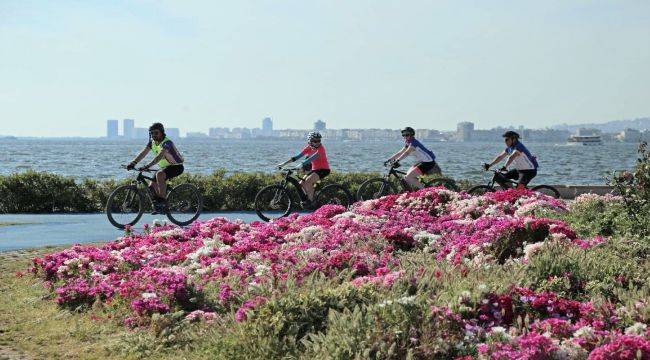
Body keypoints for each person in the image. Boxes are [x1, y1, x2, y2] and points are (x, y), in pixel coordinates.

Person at [126, 123, 185, 213]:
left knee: (159, 174)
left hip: (176, 167)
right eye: (152, 133)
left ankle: (162, 201)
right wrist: (133, 163)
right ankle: (158, 207)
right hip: (165, 167)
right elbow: (143, 153)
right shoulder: (152, 143)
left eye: (156, 133)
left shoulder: (167, 143)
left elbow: (159, 157)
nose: (154, 135)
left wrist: (147, 166)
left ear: (161, 133)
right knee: (151, 186)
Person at [277, 131, 330, 207]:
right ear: (310, 141)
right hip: (315, 170)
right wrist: (284, 164)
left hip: (323, 170)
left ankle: (311, 202)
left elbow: (311, 158)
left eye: (319, 140)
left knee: (308, 182)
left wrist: (300, 165)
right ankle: (308, 197)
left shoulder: (321, 149)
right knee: (301, 184)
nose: (318, 142)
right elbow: (297, 157)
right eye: (315, 141)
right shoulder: (309, 147)